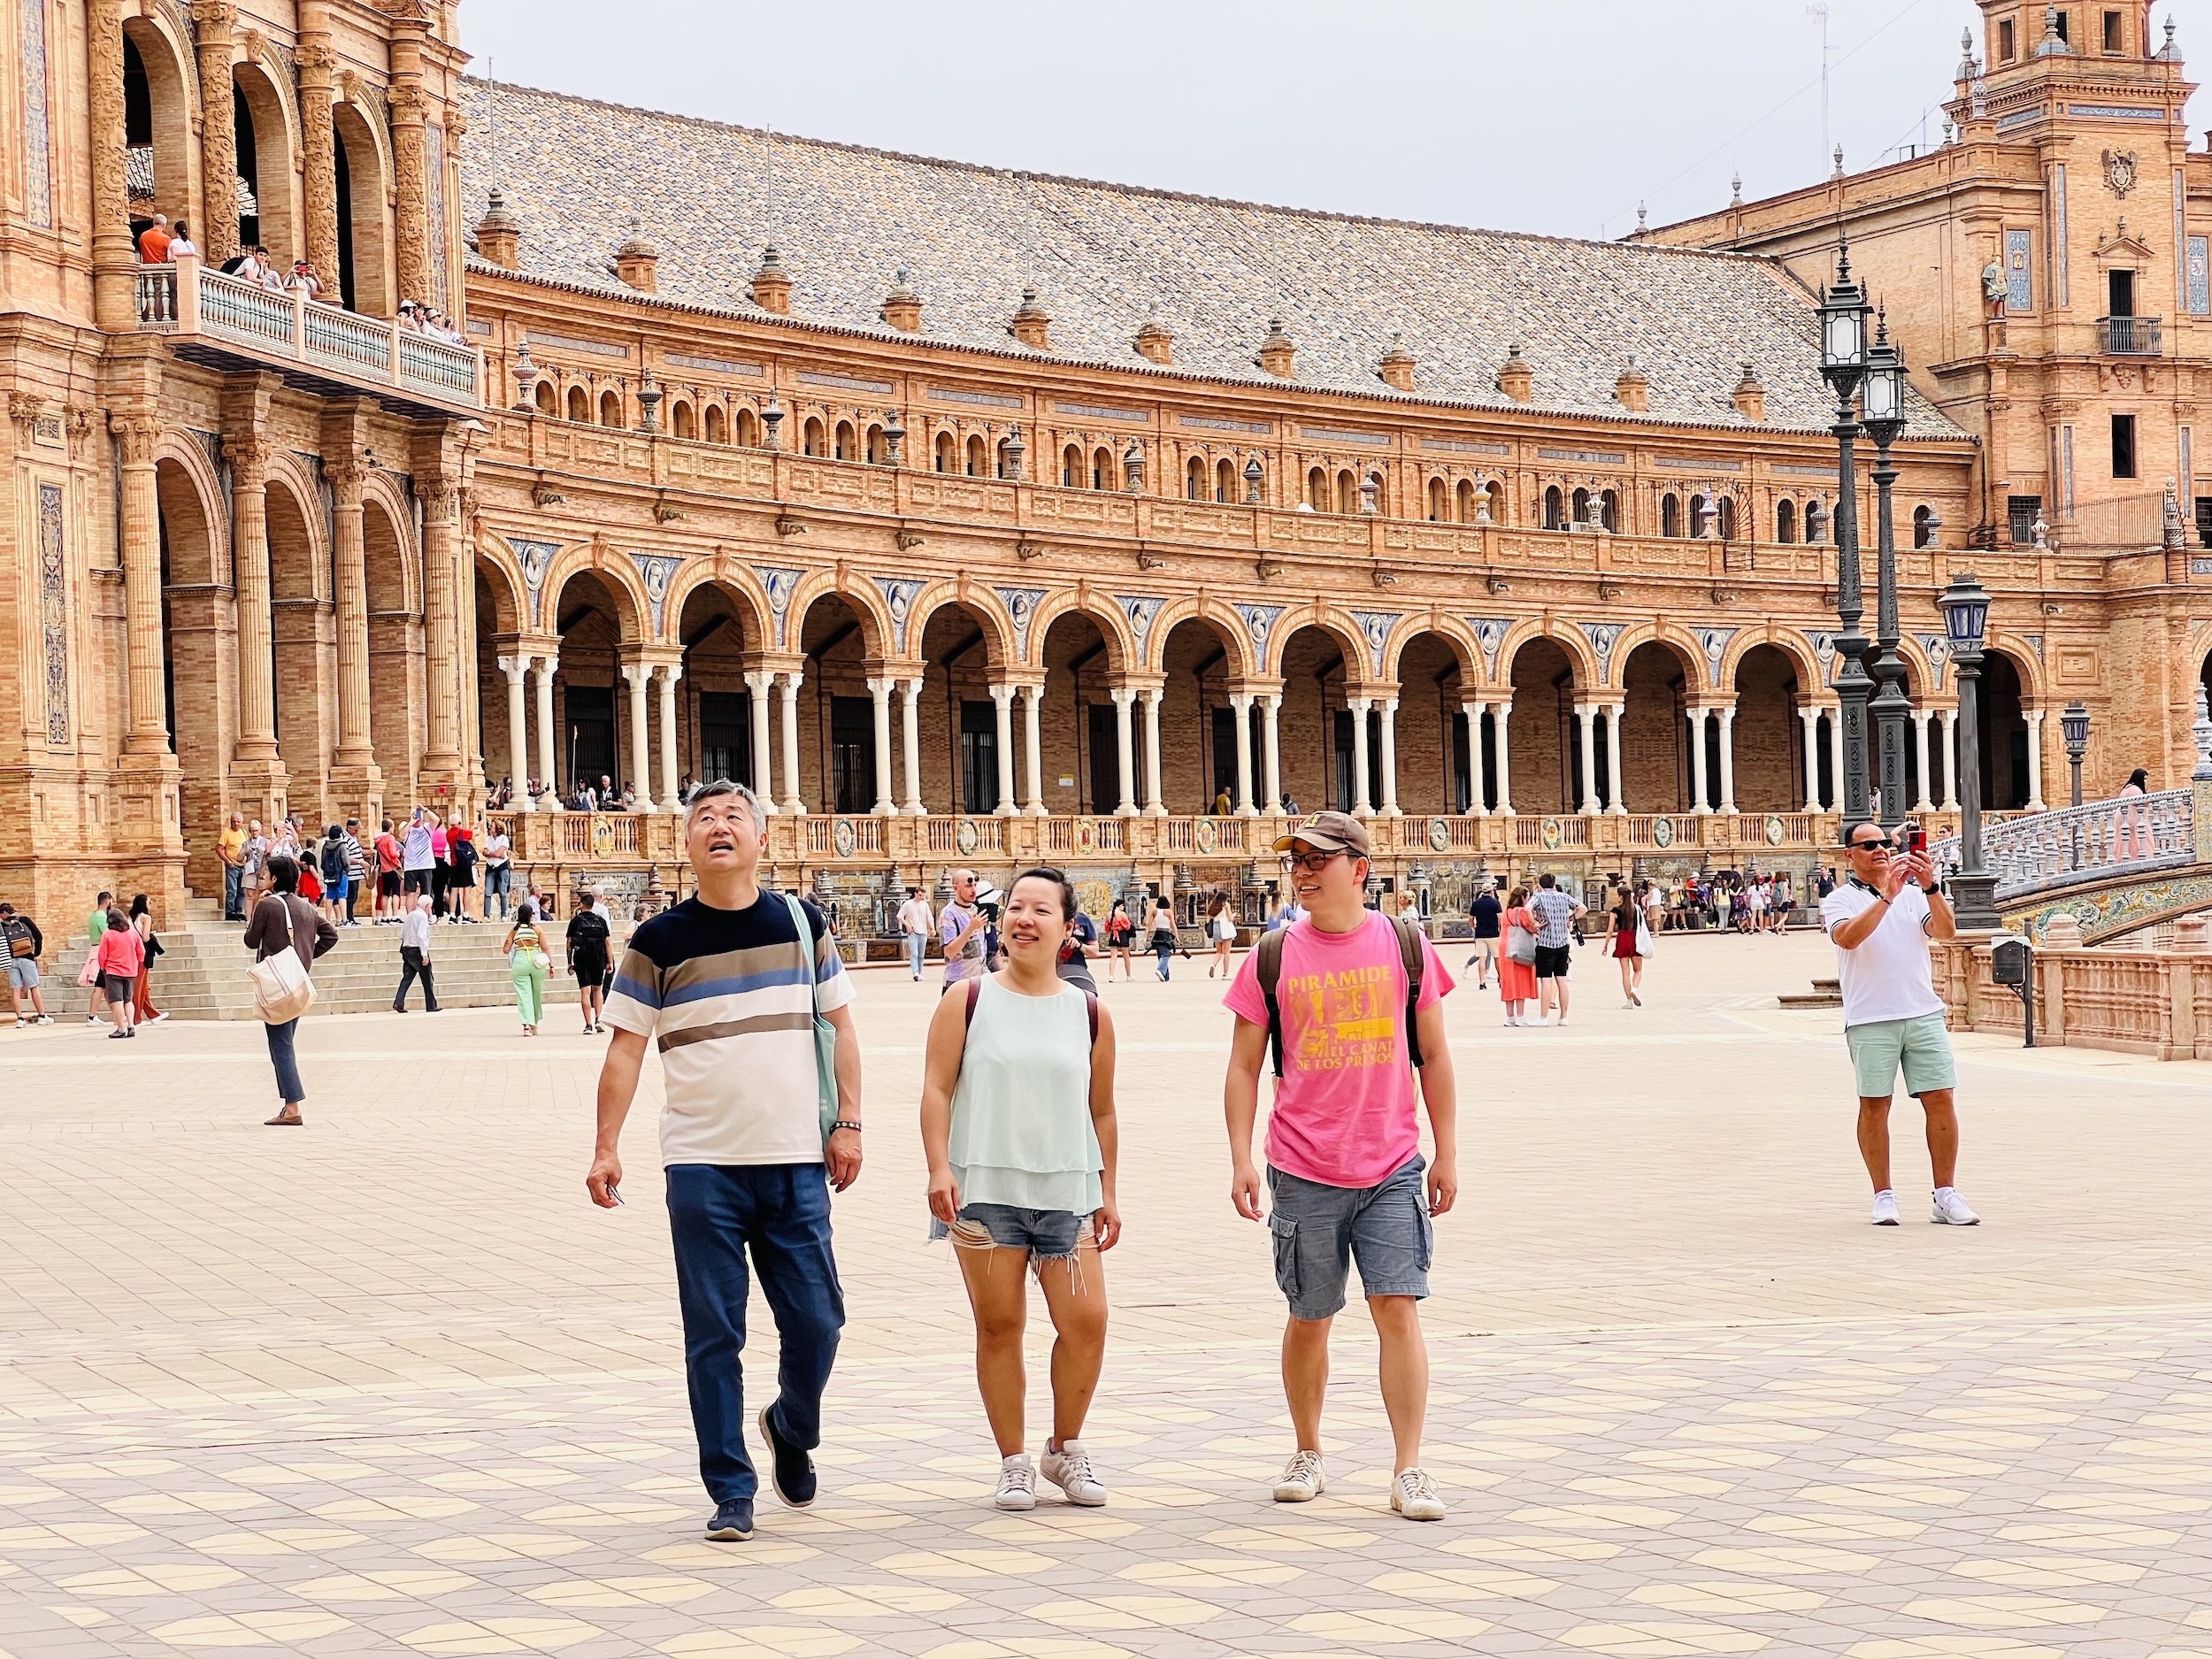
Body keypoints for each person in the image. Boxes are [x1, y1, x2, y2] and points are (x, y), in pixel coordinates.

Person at [588, 778, 864, 1545]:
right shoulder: (657, 941)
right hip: (702, 1164)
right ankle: (730, 1487)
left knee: (819, 1319)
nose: (718, 826)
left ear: (762, 838)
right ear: (686, 843)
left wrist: (848, 1123)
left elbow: (841, 1029)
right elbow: (625, 1051)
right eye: (703, 817)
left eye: (734, 815)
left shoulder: (804, 924)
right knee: (714, 1331)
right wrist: (607, 1145)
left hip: (797, 1159)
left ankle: (790, 1420)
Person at [1222, 810, 1458, 1523]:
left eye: (1316, 860)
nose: (1301, 872)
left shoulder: (1405, 946)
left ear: (1358, 869)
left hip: (1390, 1162)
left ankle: (1409, 1465)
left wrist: (1447, 1149)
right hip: (1302, 1165)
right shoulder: (1271, 955)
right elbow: (1241, 1066)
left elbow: (1436, 1056)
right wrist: (1240, 1157)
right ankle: (1308, 1447)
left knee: (1398, 1308)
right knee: (1310, 1316)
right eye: (1295, 860)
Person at [920, 866, 1119, 1511]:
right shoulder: (968, 999)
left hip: (1067, 1187)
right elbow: (936, 1089)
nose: (1023, 919)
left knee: (1086, 1321)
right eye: (1014, 907)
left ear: (1068, 928)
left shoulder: (1088, 1012)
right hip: (985, 1185)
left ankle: (1064, 1447)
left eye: (1040, 909)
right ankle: (1013, 1459)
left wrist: (1108, 1190)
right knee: (1000, 1323)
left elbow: (1104, 1111)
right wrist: (938, 1166)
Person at [1823, 823, 1978, 1227]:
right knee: (1875, 1105)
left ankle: (1945, 1193)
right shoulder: (1838, 900)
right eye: (1869, 845)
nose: (1881, 850)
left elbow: (1946, 932)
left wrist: (1930, 887)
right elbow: (1849, 939)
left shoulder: (1914, 896)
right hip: (1870, 1016)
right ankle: (1883, 1194)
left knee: (1941, 1098)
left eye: (1886, 844)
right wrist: (1886, 897)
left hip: (1922, 1011)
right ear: (1850, 855)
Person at [244, 853, 337, 1125]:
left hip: (277, 985)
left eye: (266, 874)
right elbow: (331, 935)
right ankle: (289, 1107)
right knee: (282, 1042)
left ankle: (293, 1107)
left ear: (275, 878)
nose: (263, 878)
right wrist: (305, 957)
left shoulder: (268, 905)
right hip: (297, 982)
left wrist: (256, 907)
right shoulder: (307, 907)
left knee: (281, 1045)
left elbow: (251, 941)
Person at [1527, 872, 1584, 1027]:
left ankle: (1544, 1017)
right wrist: (1570, 918)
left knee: (1546, 982)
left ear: (1540, 884)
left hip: (1545, 943)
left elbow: (1527, 909)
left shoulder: (1539, 897)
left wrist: (1535, 924)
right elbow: (1582, 908)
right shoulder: (1563, 896)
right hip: (1562, 943)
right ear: (1554, 883)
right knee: (1562, 980)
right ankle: (1564, 1017)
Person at [503, 902, 553, 1036]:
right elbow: (545, 948)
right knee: (536, 993)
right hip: (537, 962)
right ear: (531, 915)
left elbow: (506, 949)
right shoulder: (537, 929)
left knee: (524, 995)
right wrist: (551, 965)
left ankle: (526, 1025)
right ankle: (535, 1023)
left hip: (520, 961)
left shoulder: (515, 931)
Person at [94, 904, 143, 1040]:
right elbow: (141, 952)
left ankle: (121, 1028)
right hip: (131, 971)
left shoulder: (108, 934)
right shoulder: (133, 933)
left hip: (113, 971)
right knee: (128, 1000)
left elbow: (102, 955)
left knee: (117, 1000)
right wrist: (137, 962)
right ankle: (131, 1026)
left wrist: (103, 967)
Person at [569, 887, 612, 1034]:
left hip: (581, 958)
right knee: (597, 988)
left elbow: (569, 943)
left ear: (582, 905)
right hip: (599, 957)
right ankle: (598, 1019)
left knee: (585, 991)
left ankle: (588, 1025)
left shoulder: (575, 921)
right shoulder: (600, 921)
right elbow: (608, 942)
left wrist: (569, 962)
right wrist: (610, 961)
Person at [3, 901, 51, 1025]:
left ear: (3, 913)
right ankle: (42, 1016)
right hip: (27, 957)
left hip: (11, 959)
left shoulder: (2, 926)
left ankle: (19, 1019)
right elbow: (38, 935)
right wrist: (36, 953)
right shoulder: (24, 920)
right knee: (34, 987)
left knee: (16, 989)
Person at [940, 870, 987, 995]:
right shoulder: (949, 914)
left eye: (975, 885)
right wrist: (970, 929)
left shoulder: (977, 910)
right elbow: (949, 952)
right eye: (968, 886)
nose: (974, 890)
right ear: (956, 888)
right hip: (958, 984)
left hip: (980, 981)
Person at [1497, 885, 1538, 1026]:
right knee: (1520, 980)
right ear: (1522, 897)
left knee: (1508, 980)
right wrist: (1539, 926)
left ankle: (1510, 1017)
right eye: (1528, 897)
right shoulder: (1521, 911)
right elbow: (1530, 927)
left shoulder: (1506, 911)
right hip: (1519, 947)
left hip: (1505, 946)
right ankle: (1521, 1016)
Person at [393, 894, 441, 1013]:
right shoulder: (422, 917)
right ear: (428, 906)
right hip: (417, 950)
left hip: (406, 949)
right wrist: (424, 954)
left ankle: (399, 1002)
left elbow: (401, 934)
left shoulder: (411, 915)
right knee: (427, 979)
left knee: (407, 977)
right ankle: (431, 1005)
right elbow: (421, 936)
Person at [128, 895, 167, 1025]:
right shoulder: (146, 918)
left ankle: (153, 1014)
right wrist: (152, 934)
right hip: (143, 952)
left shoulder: (131, 918)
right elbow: (145, 937)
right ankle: (136, 1018)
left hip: (133, 952)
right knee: (139, 985)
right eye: (149, 902)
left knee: (145, 985)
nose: (150, 904)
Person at [1605, 884, 1644, 1009]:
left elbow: (1610, 930)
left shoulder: (1615, 911)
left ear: (1621, 896)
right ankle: (1635, 989)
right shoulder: (1636, 909)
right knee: (1638, 970)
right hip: (1634, 938)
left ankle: (1628, 1001)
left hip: (1622, 938)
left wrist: (1606, 945)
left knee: (1625, 973)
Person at [84, 889, 114, 1025]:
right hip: (101, 952)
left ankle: (117, 1013)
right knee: (100, 985)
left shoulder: (92, 917)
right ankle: (92, 1016)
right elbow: (107, 935)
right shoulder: (102, 917)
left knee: (105, 986)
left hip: (95, 949)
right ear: (107, 902)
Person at [1463, 883, 1502, 988]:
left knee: (1482, 958)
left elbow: (1470, 919)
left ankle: (1482, 982)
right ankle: (1501, 979)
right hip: (1493, 933)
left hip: (1480, 933)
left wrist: (1474, 927)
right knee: (1497, 958)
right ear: (1491, 891)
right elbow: (1500, 918)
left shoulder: (1476, 903)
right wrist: (1497, 927)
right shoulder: (1495, 903)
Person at [1057, 903, 1101, 995]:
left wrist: (1080, 945)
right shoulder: (1051, 919)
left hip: (1077, 971)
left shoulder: (1083, 920)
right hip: (1053, 972)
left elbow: (1095, 952)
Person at [897, 886, 935, 980]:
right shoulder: (908, 904)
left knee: (921, 955)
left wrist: (933, 928)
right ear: (915, 894)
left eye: (923, 896)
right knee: (914, 953)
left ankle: (919, 972)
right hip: (913, 932)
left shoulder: (925, 905)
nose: (921, 897)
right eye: (919, 895)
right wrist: (907, 925)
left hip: (923, 932)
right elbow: (900, 916)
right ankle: (915, 972)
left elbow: (929, 917)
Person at [447, 815, 480, 922]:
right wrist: (477, 827)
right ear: (460, 822)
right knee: (467, 890)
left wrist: (471, 827)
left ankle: (452, 915)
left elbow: (462, 835)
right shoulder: (463, 832)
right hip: (464, 865)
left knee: (454, 890)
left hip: (454, 865)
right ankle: (466, 915)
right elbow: (476, 833)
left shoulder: (448, 834)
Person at [402, 808, 434, 907]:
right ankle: (411, 915)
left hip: (426, 865)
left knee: (426, 893)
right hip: (411, 866)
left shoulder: (427, 828)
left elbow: (436, 820)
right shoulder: (408, 830)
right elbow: (401, 835)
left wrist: (425, 810)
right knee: (410, 893)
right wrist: (411, 823)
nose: (418, 819)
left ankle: (426, 914)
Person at [219, 811, 249, 921]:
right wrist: (228, 861)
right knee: (232, 890)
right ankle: (230, 912)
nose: (236, 824)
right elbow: (219, 849)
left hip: (243, 865)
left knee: (242, 890)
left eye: (238, 822)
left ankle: (238, 910)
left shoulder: (243, 832)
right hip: (232, 865)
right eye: (233, 822)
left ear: (242, 822)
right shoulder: (227, 832)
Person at [319, 825, 349, 926]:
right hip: (341, 874)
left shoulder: (326, 846)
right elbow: (345, 861)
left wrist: (327, 871)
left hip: (329, 875)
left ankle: (327, 919)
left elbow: (322, 862)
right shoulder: (341, 845)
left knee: (330, 896)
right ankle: (343, 919)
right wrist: (347, 869)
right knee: (342, 896)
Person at [483, 819, 513, 920]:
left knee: (502, 891)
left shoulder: (504, 839)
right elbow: (484, 852)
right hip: (491, 866)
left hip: (502, 866)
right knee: (488, 891)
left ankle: (504, 914)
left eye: (492, 826)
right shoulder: (488, 839)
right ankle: (486, 915)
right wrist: (493, 854)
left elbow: (499, 854)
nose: (490, 827)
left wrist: (491, 854)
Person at [374, 818, 403, 922]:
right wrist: (398, 853)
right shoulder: (390, 838)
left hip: (384, 869)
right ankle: (395, 915)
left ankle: (384, 916)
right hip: (393, 868)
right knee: (396, 893)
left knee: (385, 893)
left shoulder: (378, 840)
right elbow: (392, 853)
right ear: (390, 827)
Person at [342, 818, 367, 926]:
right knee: (350, 896)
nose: (357, 832)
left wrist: (368, 852)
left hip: (357, 873)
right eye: (355, 829)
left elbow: (357, 850)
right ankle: (348, 917)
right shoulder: (345, 839)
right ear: (349, 828)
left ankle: (351, 916)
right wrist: (360, 861)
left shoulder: (353, 838)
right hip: (350, 873)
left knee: (354, 896)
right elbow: (346, 856)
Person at [1102, 899, 1134, 980]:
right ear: (1120, 905)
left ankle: (1111, 976)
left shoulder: (1108, 914)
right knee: (1126, 957)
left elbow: (1107, 927)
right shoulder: (1122, 914)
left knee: (1113, 957)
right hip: (1122, 935)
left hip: (1113, 935)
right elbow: (1128, 926)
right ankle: (1128, 975)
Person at [1148, 896, 1179, 980]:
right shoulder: (1169, 911)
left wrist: (1145, 937)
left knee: (1161, 954)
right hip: (1166, 933)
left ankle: (1165, 976)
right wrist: (1177, 937)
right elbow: (1173, 925)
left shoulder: (1154, 912)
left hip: (1157, 933)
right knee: (1166, 954)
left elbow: (1149, 925)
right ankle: (1160, 970)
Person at [1206, 896, 1236, 978]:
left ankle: (1213, 965)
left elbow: (1208, 920)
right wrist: (1233, 915)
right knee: (1227, 953)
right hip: (1225, 929)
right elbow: (1230, 918)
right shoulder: (1226, 905)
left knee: (1219, 952)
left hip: (1216, 929)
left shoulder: (1212, 906)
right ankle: (1225, 974)